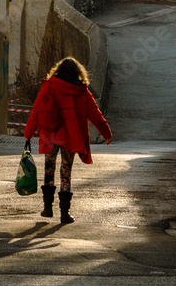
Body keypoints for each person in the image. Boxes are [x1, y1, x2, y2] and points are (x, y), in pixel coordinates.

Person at [24, 57, 112, 224]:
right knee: (66, 173)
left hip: (50, 135)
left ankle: (47, 208)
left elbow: (36, 110)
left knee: (49, 169)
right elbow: (95, 113)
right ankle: (65, 213)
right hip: (70, 138)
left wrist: (28, 133)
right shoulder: (81, 91)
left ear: (58, 70)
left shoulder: (49, 85)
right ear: (78, 72)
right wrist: (106, 133)